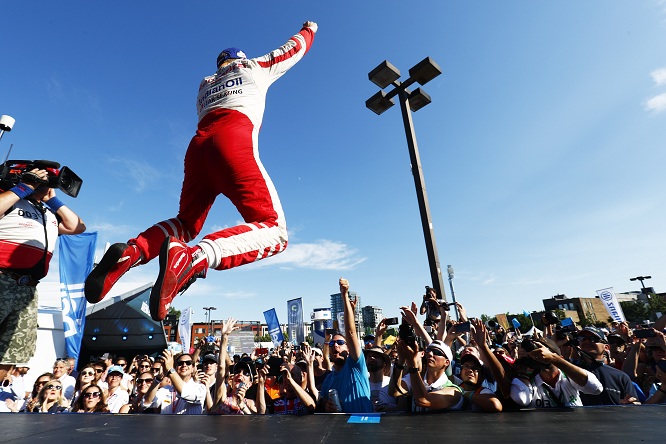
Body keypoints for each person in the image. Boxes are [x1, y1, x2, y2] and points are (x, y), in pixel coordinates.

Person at [85, 20, 319, 322]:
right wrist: (309, 30)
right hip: (233, 142)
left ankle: (134, 251)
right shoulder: (254, 67)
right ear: (240, 59)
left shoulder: (205, 84)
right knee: (274, 229)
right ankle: (195, 258)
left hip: (198, 148)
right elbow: (291, 50)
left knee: (186, 222)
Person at [0, 167, 85, 376]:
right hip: (3, 279)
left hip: (28, 289)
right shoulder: (10, 199)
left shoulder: (47, 213)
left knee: (10, 355)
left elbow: (78, 227)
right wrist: (24, 187)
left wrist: (52, 200)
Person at [316, 278, 373, 413]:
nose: (335, 345)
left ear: (349, 348)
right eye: (332, 343)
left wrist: (344, 295)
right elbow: (322, 400)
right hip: (340, 431)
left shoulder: (356, 366)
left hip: (363, 427)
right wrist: (326, 405)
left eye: (340, 343)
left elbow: (351, 333)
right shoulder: (329, 379)